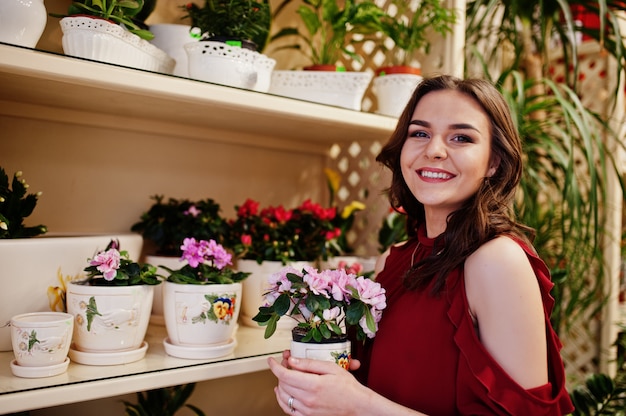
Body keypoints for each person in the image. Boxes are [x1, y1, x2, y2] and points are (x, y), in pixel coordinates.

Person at [267, 75, 575, 415]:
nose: (434, 150)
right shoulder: (394, 260)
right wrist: (318, 384)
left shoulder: (498, 261)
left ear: (493, 163)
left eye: (461, 137)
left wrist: (356, 404)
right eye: (420, 133)